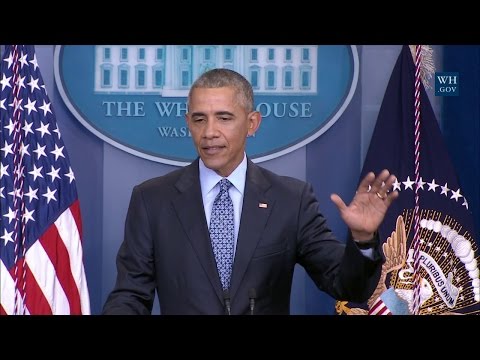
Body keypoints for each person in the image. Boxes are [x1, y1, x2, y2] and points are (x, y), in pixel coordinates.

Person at [102, 68, 399, 315]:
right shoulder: (152, 200)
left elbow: (348, 286)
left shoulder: (290, 200)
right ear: (188, 124)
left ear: (252, 123)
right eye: (199, 119)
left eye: (224, 117)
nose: (210, 132)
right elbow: (130, 296)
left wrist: (362, 240)